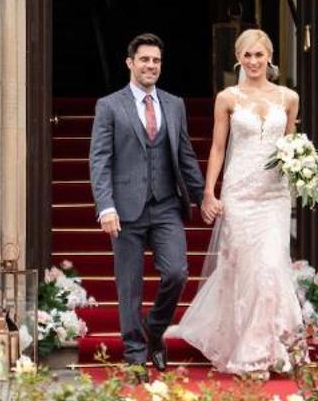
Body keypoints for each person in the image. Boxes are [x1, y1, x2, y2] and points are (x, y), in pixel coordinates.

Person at [168, 29, 304, 375]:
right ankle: (250, 350)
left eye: (259, 55)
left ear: (270, 57)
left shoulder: (289, 98)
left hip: (274, 195)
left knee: (272, 267)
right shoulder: (227, 98)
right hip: (239, 194)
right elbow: (217, 148)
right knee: (246, 271)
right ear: (238, 58)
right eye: (247, 55)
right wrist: (208, 192)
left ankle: (268, 348)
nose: (254, 61)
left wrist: (303, 169)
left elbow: (291, 147)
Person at [88, 34, 207, 365]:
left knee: (177, 273)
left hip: (166, 204)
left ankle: (153, 329)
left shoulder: (174, 104)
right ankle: (136, 354)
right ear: (130, 63)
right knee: (130, 286)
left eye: (156, 60)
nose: (151, 66)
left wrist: (203, 197)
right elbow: (100, 159)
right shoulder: (110, 106)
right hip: (125, 209)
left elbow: (185, 155)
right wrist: (106, 206)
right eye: (144, 60)